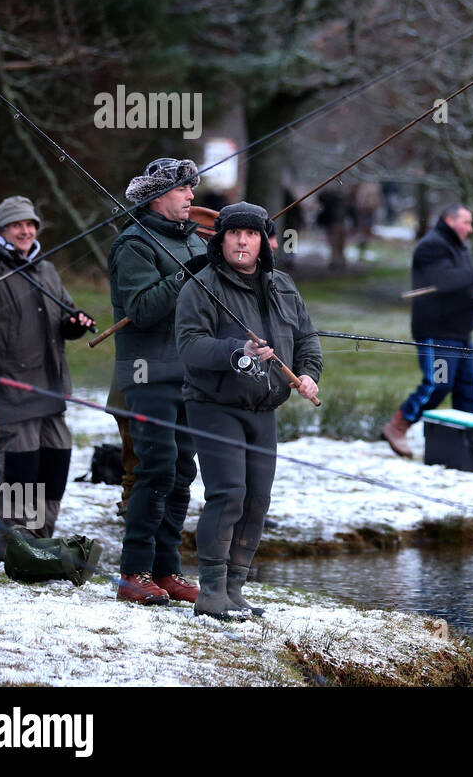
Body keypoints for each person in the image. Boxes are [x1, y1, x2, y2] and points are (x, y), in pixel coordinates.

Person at [175, 202, 322, 619]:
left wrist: (309, 374)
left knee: (257, 499)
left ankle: (236, 588)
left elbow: (307, 338)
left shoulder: (283, 286)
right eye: (235, 233)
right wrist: (236, 350)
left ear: (264, 242)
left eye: (252, 234)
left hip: (264, 408)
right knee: (228, 495)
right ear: (220, 240)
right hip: (213, 405)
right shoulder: (200, 286)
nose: (243, 240)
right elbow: (189, 346)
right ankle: (211, 591)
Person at [0, 196, 94, 559]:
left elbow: (64, 315)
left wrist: (74, 324)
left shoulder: (45, 269)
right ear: (1, 231)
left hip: (53, 390)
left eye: (31, 224)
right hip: (14, 393)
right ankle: (14, 548)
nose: (25, 230)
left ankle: (40, 543)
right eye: (17, 225)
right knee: (21, 472)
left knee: (55, 464)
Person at [109, 158, 208, 604]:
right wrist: (192, 274)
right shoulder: (133, 244)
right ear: (156, 196)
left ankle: (167, 571)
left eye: (192, 188)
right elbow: (143, 308)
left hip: (188, 374)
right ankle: (134, 573)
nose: (192, 197)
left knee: (182, 473)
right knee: (155, 469)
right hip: (146, 373)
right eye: (184, 189)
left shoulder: (189, 241)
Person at [382, 204, 473, 457]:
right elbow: (444, 281)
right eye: (466, 222)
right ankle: (398, 425)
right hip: (436, 332)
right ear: (449, 219)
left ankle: (471, 444)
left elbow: (463, 284)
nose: (470, 229)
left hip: (460, 332)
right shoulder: (432, 246)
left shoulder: (459, 248)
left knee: (467, 390)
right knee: (439, 384)